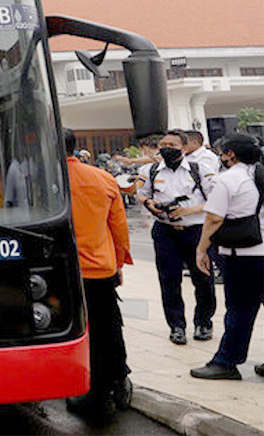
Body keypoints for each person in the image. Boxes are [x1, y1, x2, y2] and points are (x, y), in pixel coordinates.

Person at [62, 129, 133, 421]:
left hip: (64, 271)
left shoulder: (43, 180)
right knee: (109, 325)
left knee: (83, 333)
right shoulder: (102, 177)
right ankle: (120, 381)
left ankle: (97, 396)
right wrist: (117, 264)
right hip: (101, 269)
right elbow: (119, 228)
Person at [190, 134, 264, 380]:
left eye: (223, 151)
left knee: (240, 308)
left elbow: (213, 218)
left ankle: (226, 362)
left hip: (243, 254)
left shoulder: (229, 179)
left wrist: (201, 250)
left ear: (231, 154)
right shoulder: (259, 174)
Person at [136, 130, 217, 344]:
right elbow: (141, 193)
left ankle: (203, 323)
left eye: (172, 144)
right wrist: (149, 204)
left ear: (184, 147)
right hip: (165, 232)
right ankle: (176, 326)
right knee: (169, 281)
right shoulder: (150, 170)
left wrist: (188, 211)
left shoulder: (200, 170)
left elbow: (217, 201)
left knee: (203, 279)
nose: (166, 148)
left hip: (196, 231)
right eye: (163, 144)